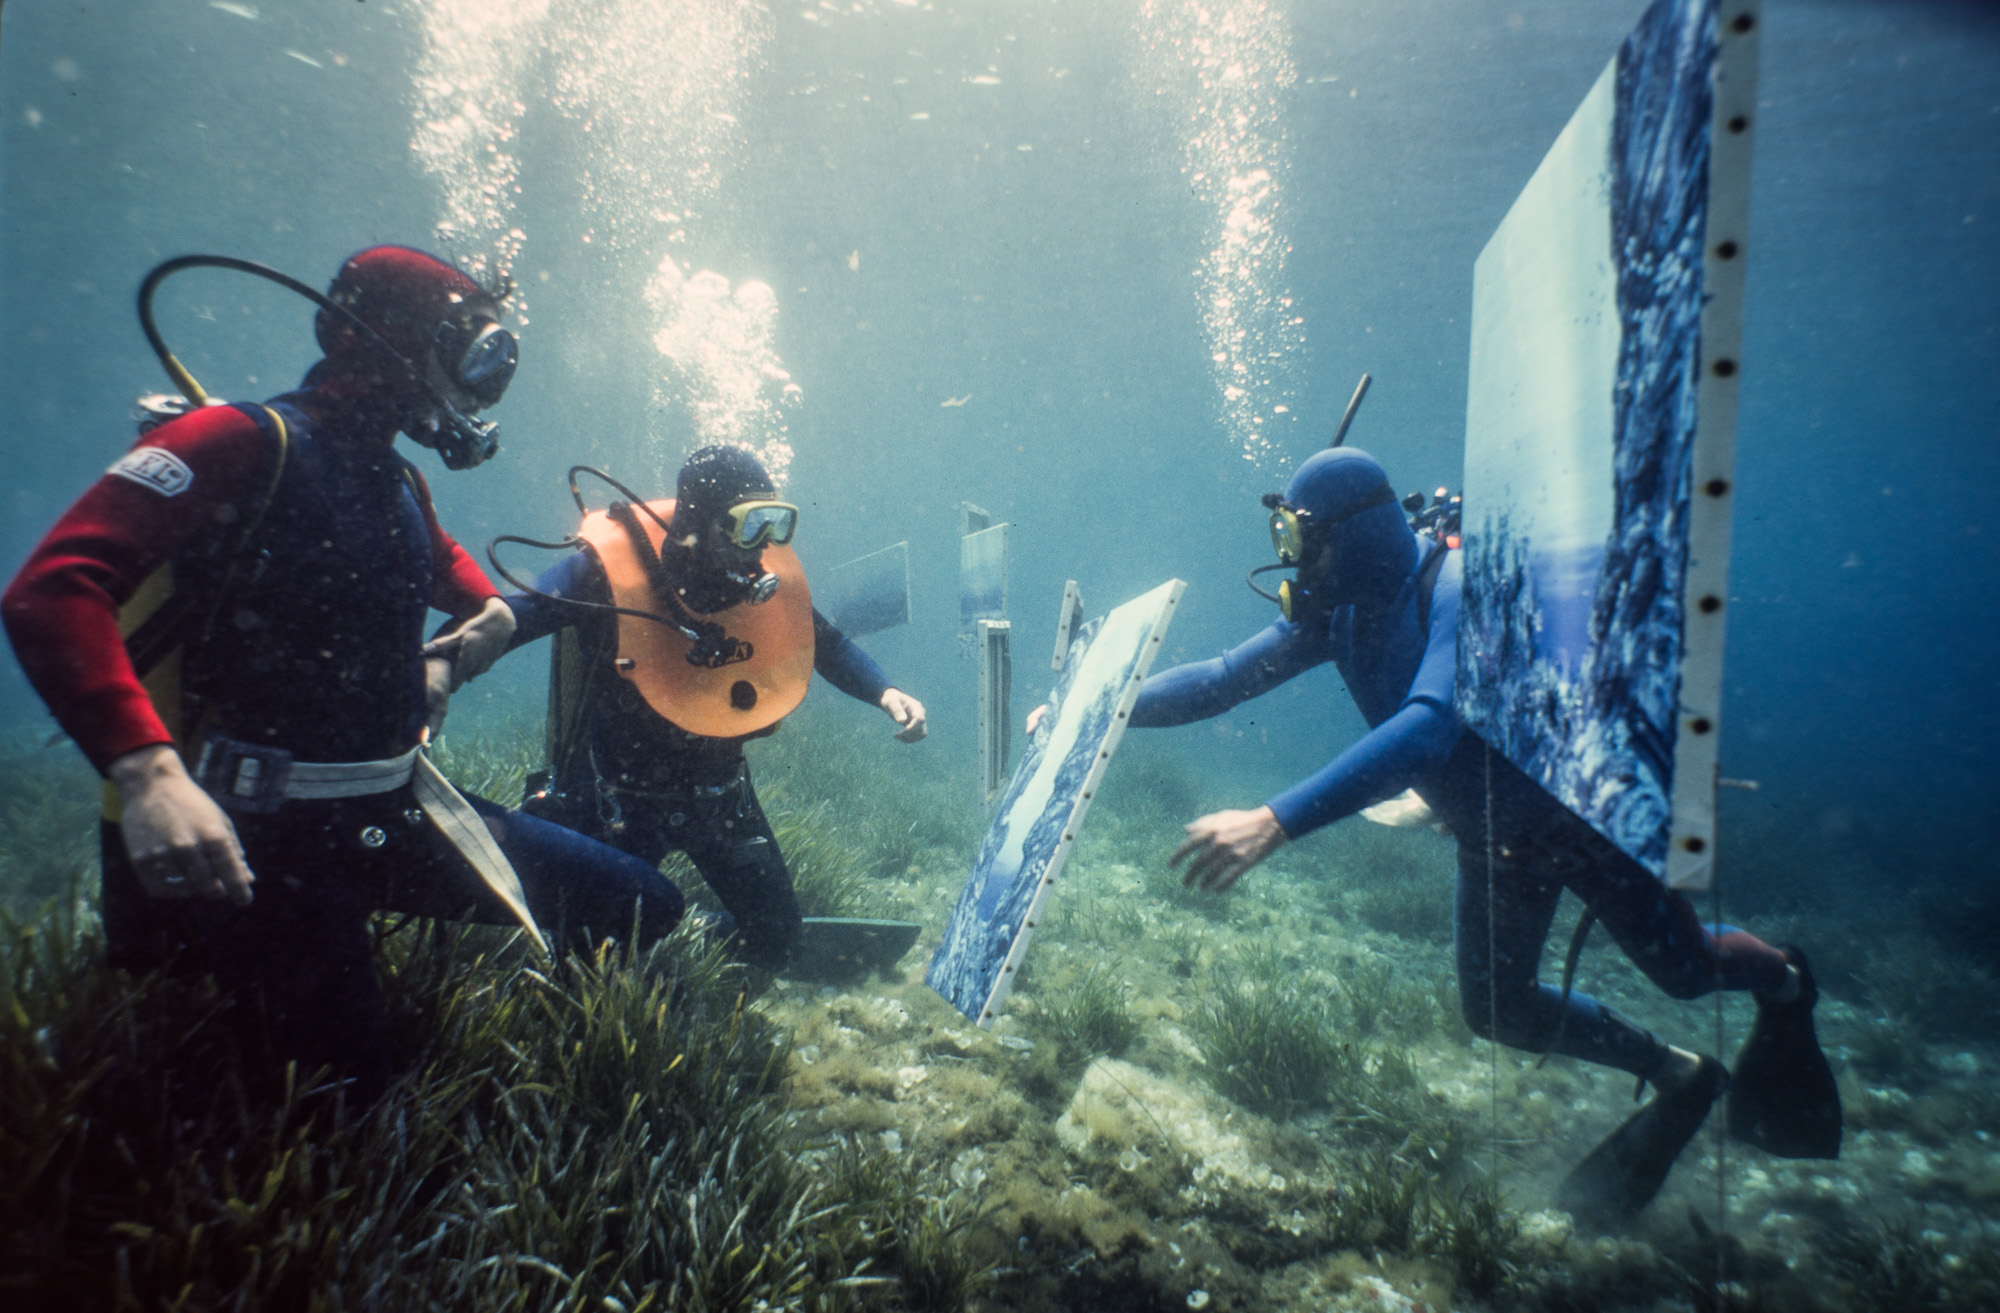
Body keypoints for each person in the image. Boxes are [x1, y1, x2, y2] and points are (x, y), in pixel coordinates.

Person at [1, 245, 685, 1101]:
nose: (485, 379)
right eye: (473, 348)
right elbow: (52, 589)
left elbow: (473, 597)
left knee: (645, 902)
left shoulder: (398, 479)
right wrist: (148, 776)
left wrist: (465, 648)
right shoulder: (239, 441)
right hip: (264, 841)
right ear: (395, 340)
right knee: (345, 1117)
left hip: (389, 808)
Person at [1117, 445, 1839, 1225]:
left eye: (1301, 540)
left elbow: (1428, 729)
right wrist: (1098, 711)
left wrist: (1276, 818)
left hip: (1584, 819)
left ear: (1356, 532)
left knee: (1689, 972)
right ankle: (1676, 1069)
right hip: (1494, 837)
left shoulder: (1463, 586)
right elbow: (1222, 677)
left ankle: (1788, 979)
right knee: (1500, 1010)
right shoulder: (1344, 613)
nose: (1298, 564)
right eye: (1288, 543)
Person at [498, 444, 927, 976]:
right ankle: (653, 927)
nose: (764, 544)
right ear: (699, 522)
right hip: (618, 801)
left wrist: (885, 692)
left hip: (720, 795)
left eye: (775, 521)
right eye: (749, 525)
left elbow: (828, 646)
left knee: (776, 946)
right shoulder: (608, 573)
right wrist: (452, 657)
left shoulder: (766, 587)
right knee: (585, 969)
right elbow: (517, 615)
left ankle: (700, 931)